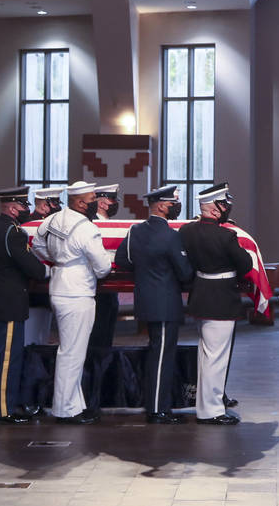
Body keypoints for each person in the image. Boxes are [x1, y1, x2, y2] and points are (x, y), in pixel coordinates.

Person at [32, 180, 113, 424]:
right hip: (77, 292)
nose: (95, 204)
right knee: (71, 353)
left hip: (59, 286)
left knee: (71, 351)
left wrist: (56, 259)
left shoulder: (52, 220)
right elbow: (103, 268)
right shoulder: (87, 228)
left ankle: (75, 405)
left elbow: (36, 244)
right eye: (91, 201)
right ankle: (65, 409)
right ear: (79, 203)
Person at [114, 185, 193, 424]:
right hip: (166, 302)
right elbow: (185, 273)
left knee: (156, 352)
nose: (175, 207)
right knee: (162, 356)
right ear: (160, 206)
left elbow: (122, 260)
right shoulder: (171, 236)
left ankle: (156, 405)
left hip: (146, 299)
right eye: (172, 203)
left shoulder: (136, 231)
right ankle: (158, 409)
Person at [178, 182, 253, 425]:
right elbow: (245, 264)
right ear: (213, 209)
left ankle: (206, 405)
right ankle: (211, 410)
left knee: (207, 354)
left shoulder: (187, 231)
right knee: (215, 357)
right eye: (223, 205)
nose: (227, 209)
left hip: (201, 295)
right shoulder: (226, 235)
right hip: (221, 298)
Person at [0, 186, 49, 425]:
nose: (27, 210)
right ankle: (2, 411)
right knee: (7, 357)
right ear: (13, 208)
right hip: (9, 299)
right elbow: (34, 269)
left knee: (5, 354)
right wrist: (47, 269)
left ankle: (4, 407)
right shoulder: (13, 232)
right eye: (24, 206)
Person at [23, 186, 64, 350]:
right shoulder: (28, 224)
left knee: (43, 336)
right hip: (34, 287)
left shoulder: (53, 224)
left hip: (49, 287)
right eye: (54, 204)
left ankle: (38, 368)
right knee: (30, 338)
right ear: (44, 206)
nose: (58, 208)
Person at [87, 183, 122, 349]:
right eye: (112, 200)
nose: (115, 204)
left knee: (108, 328)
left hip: (111, 284)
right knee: (98, 330)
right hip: (97, 284)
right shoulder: (91, 224)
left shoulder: (109, 224)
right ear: (101, 203)